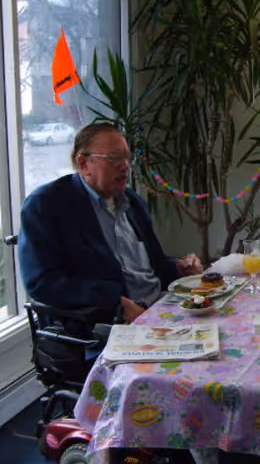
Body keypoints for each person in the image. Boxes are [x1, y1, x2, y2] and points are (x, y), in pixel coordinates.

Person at [19, 122, 202, 327]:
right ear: (83, 163)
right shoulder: (46, 205)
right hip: (106, 324)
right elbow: (43, 283)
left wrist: (178, 267)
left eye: (126, 157)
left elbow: (152, 267)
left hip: (160, 306)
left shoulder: (131, 202)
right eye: (114, 158)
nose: (125, 166)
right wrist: (117, 303)